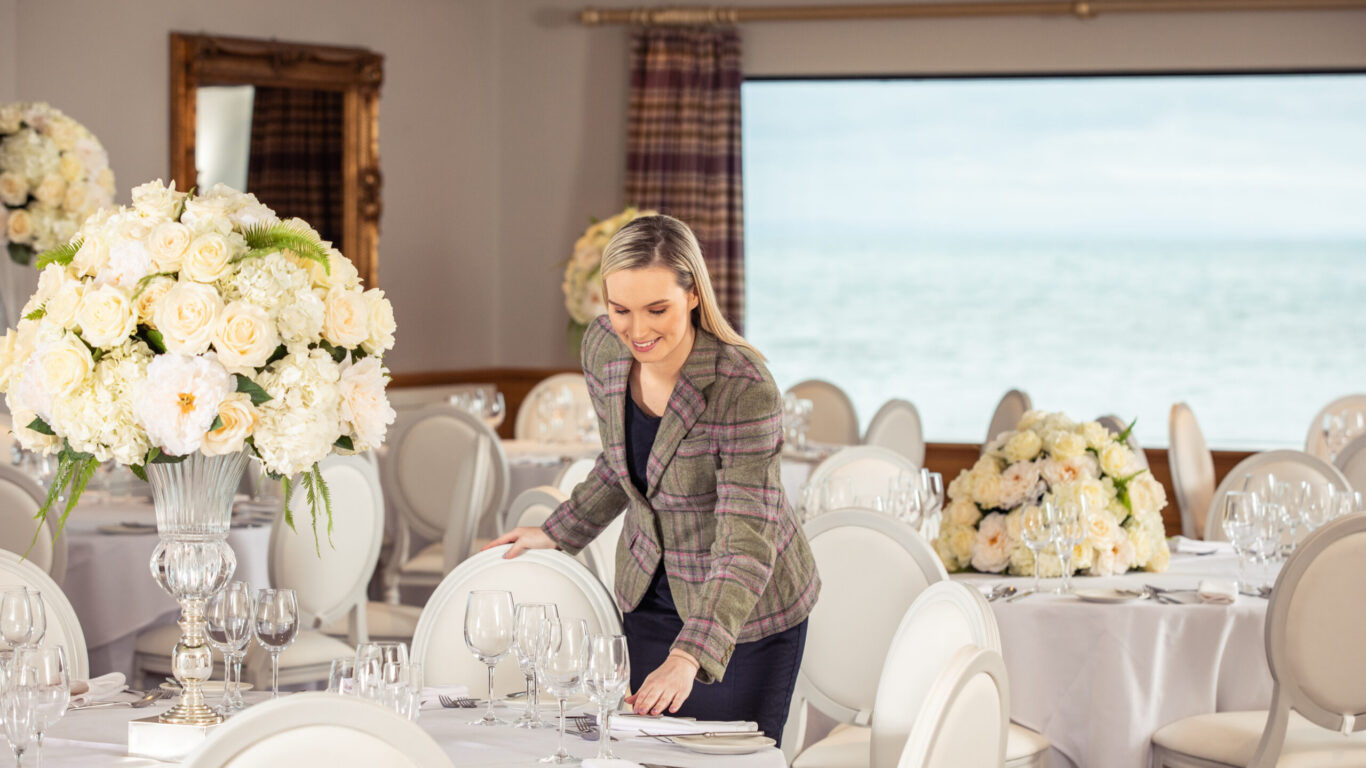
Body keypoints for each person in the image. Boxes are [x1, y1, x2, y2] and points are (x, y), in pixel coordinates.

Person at [487, 214, 819, 745]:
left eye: (656, 309)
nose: (637, 331)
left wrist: (690, 655)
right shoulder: (604, 350)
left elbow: (746, 545)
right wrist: (558, 531)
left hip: (742, 617)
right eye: (621, 310)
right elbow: (623, 463)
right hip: (647, 600)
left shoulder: (743, 388)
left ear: (692, 294)